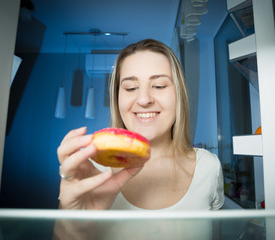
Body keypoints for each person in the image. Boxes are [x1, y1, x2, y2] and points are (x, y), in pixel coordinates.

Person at [56, 39, 224, 211]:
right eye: (130, 88)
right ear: (117, 98)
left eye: (159, 86)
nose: (144, 100)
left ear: (179, 95)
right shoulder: (89, 167)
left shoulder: (208, 167)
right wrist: (73, 224)